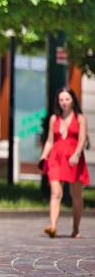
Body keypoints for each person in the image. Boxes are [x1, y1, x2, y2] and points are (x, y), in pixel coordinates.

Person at [39, 87, 90, 239]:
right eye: (61, 100)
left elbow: (82, 139)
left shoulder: (80, 118)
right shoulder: (54, 119)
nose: (64, 103)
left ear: (73, 100)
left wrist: (77, 154)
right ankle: (53, 226)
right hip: (55, 158)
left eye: (67, 99)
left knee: (76, 195)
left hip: (74, 159)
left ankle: (75, 228)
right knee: (56, 192)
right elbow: (49, 140)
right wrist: (43, 157)